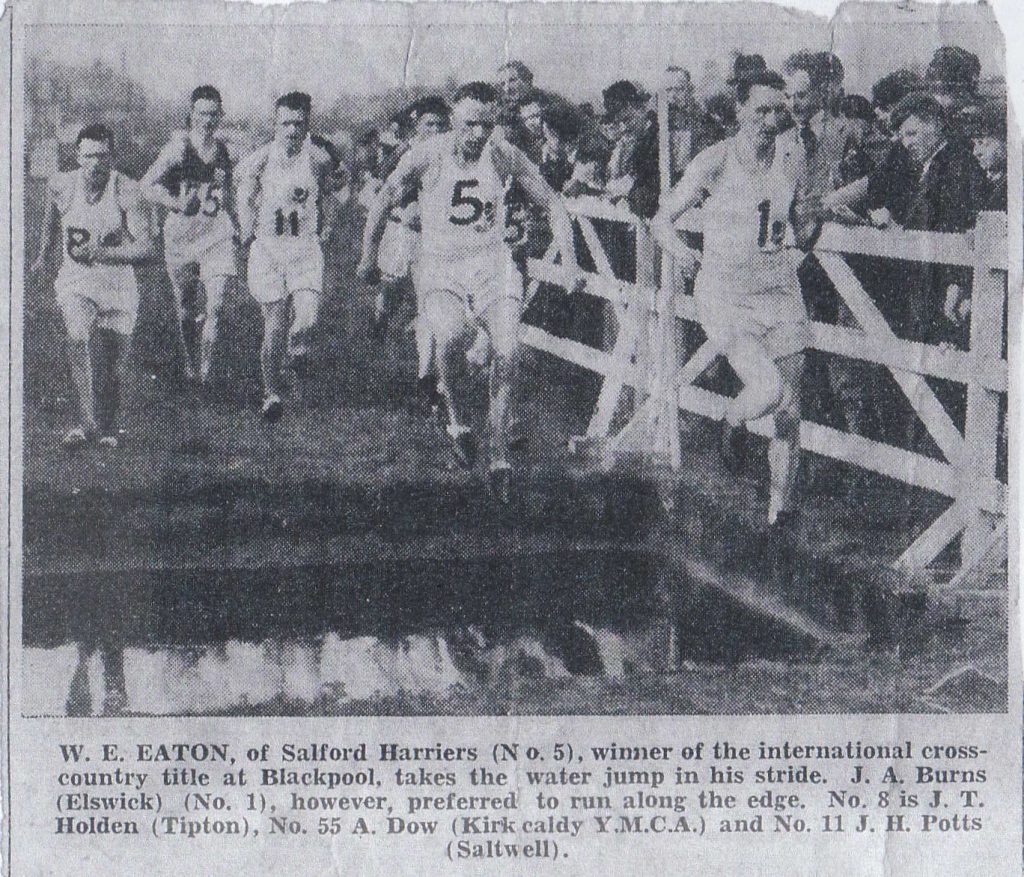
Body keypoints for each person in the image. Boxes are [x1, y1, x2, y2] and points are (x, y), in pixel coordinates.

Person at [357, 82, 583, 502]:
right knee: (451, 336)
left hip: (491, 263)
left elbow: (551, 201)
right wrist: (369, 254)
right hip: (442, 264)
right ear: (454, 122)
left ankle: (499, 455)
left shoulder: (501, 154)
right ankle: (458, 420)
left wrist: (568, 262)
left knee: (508, 348)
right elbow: (386, 195)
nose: (477, 134)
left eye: (486, 125)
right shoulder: (428, 154)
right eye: (469, 125)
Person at [651, 69, 821, 578]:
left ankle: (779, 517)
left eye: (780, 110)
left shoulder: (794, 156)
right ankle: (730, 423)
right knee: (765, 389)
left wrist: (816, 223)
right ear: (739, 110)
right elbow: (662, 218)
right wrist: (684, 253)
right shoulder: (717, 158)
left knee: (790, 409)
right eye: (762, 110)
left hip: (779, 288)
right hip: (726, 290)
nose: (772, 120)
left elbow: (799, 224)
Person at [31, 123, 156, 448]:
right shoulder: (60, 185)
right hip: (78, 280)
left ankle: (108, 430)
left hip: (118, 286)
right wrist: (43, 255)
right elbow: (52, 219)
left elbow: (146, 249)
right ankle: (84, 425)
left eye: (102, 156)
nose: (95, 164)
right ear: (78, 156)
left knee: (112, 369)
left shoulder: (127, 191)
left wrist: (102, 252)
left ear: (112, 157)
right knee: (77, 333)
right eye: (88, 156)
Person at [235, 91, 340, 421]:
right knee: (275, 324)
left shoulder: (318, 159)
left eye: (299, 123)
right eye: (285, 124)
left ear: (308, 123)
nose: (292, 130)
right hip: (268, 250)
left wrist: (328, 227)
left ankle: (295, 354)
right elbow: (243, 195)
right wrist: (246, 227)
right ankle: (271, 393)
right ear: (275, 124)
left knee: (307, 318)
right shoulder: (260, 160)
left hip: (305, 249)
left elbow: (332, 195)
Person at [141, 85, 239, 386]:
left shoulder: (225, 151)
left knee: (217, 304)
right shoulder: (178, 149)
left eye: (213, 114)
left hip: (215, 234)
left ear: (220, 115)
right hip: (182, 237)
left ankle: (206, 375)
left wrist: (235, 222)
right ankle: (189, 362)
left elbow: (228, 191)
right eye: (201, 113)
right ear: (191, 114)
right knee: (186, 309)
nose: (207, 120)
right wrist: (174, 203)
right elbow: (146, 185)